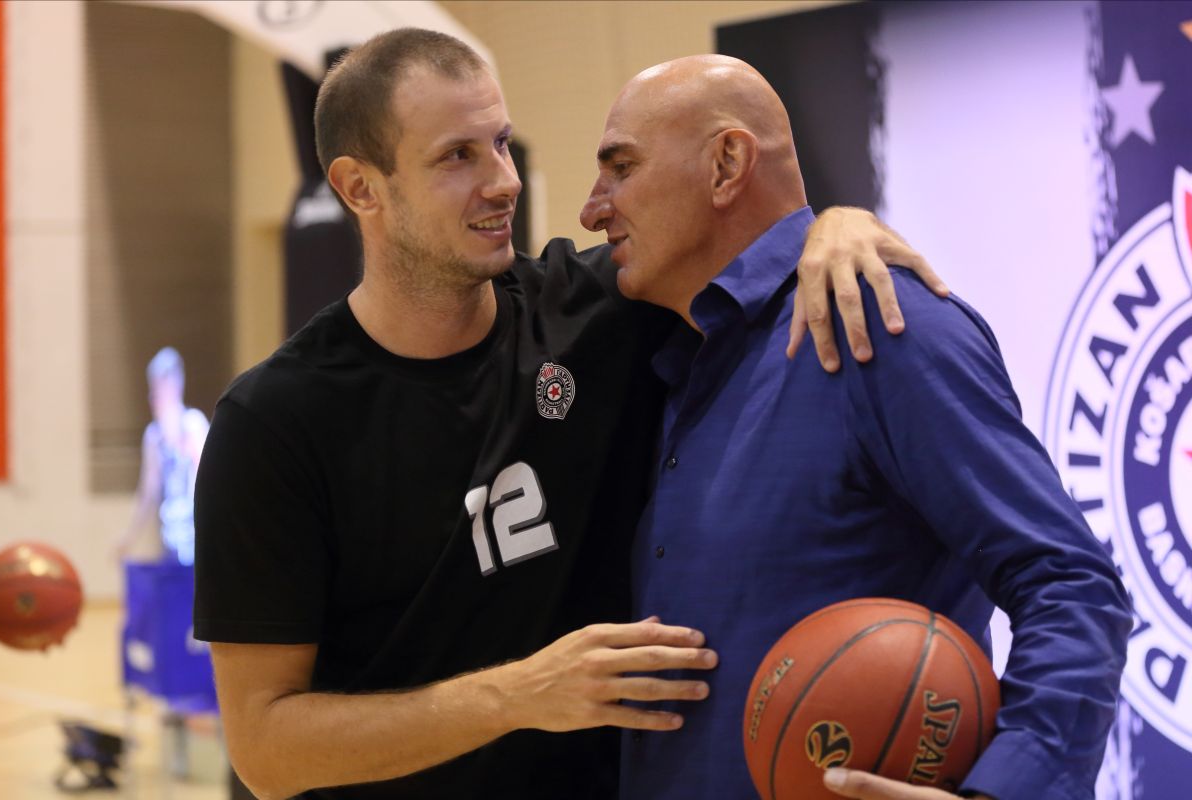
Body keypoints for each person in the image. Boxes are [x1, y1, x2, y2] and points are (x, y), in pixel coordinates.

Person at [192, 30, 944, 800]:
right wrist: (517, 696)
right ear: (360, 188)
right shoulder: (274, 422)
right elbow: (265, 747)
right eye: (458, 156)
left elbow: (738, 229)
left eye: (502, 144)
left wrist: (834, 225)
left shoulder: (602, 313)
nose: (503, 182)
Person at [578, 55, 1133, 800]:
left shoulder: (880, 325)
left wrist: (1002, 791)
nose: (592, 206)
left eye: (621, 167)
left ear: (727, 163)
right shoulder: (654, 348)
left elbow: (1070, 584)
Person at [116, 347, 208, 566]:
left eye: (161, 387)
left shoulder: (193, 425)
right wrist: (129, 538)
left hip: (196, 537)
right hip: (170, 538)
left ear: (176, 386)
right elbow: (148, 491)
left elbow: (207, 481)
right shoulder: (154, 436)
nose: (156, 397)